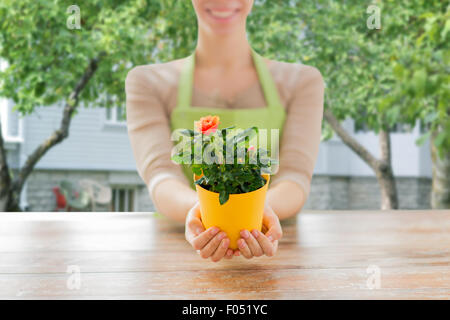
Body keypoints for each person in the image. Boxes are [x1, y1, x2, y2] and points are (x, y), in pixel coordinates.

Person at [125, 0, 324, 262]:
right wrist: (207, 214)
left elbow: (295, 177)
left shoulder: (302, 81)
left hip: (276, 251)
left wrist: (254, 214)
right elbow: (161, 176)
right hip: (177, 252)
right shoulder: (147, 82)